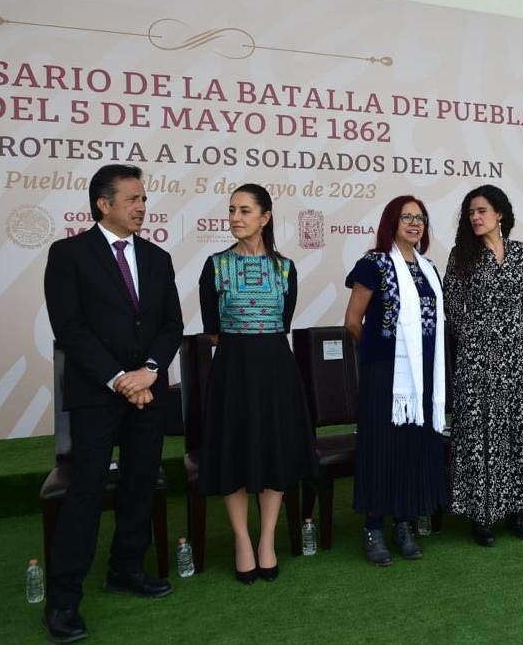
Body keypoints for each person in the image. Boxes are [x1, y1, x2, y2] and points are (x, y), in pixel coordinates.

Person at [42, 164, 183, 642]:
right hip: (97, 396)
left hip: (148, 392)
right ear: (103, 204)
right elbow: (70, 328)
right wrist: (121, 378)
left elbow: (171, 325)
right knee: (85, 492)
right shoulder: (69, 254)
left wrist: (149, 371)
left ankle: (126, 569)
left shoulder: (157, 257)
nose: (142, 206)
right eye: (132, 198)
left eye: (143, 198)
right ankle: (63, 601)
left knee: (139, 485)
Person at [198, 184, 317, 583]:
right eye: (232, 210)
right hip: (232, 371)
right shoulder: (214, 266)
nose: (235, 218)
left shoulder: (285, 268)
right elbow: (212, 331)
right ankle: (241, 540)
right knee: (234, 450)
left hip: (275, 372)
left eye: (245, 211)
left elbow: (282, 323)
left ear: (265, 217)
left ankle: (266, 539)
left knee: (274, 449)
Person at [344, 195, 448, 565]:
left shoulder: (429, 268)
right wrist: (383, 354)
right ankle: (373, 528)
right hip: (384, 375)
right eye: (406, 217)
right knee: (381, 447)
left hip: (423, 377)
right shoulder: (373, 264)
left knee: (411, 446)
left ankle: (403, 524)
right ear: (391, 222)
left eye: (420, 218)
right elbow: (354, 321)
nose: (415, 224)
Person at [444, 185, 523, 547]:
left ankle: (519, 511)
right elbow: (452, 309)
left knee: (518, 430)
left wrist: (508, 335)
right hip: (477, 359)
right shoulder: (461, 255)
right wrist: (480, 336)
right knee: (481, 434)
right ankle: (481, 515)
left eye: (482, 210)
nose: (475, 217)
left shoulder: (521, 253)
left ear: (500, 213)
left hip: (517, 356)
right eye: (471, 212)